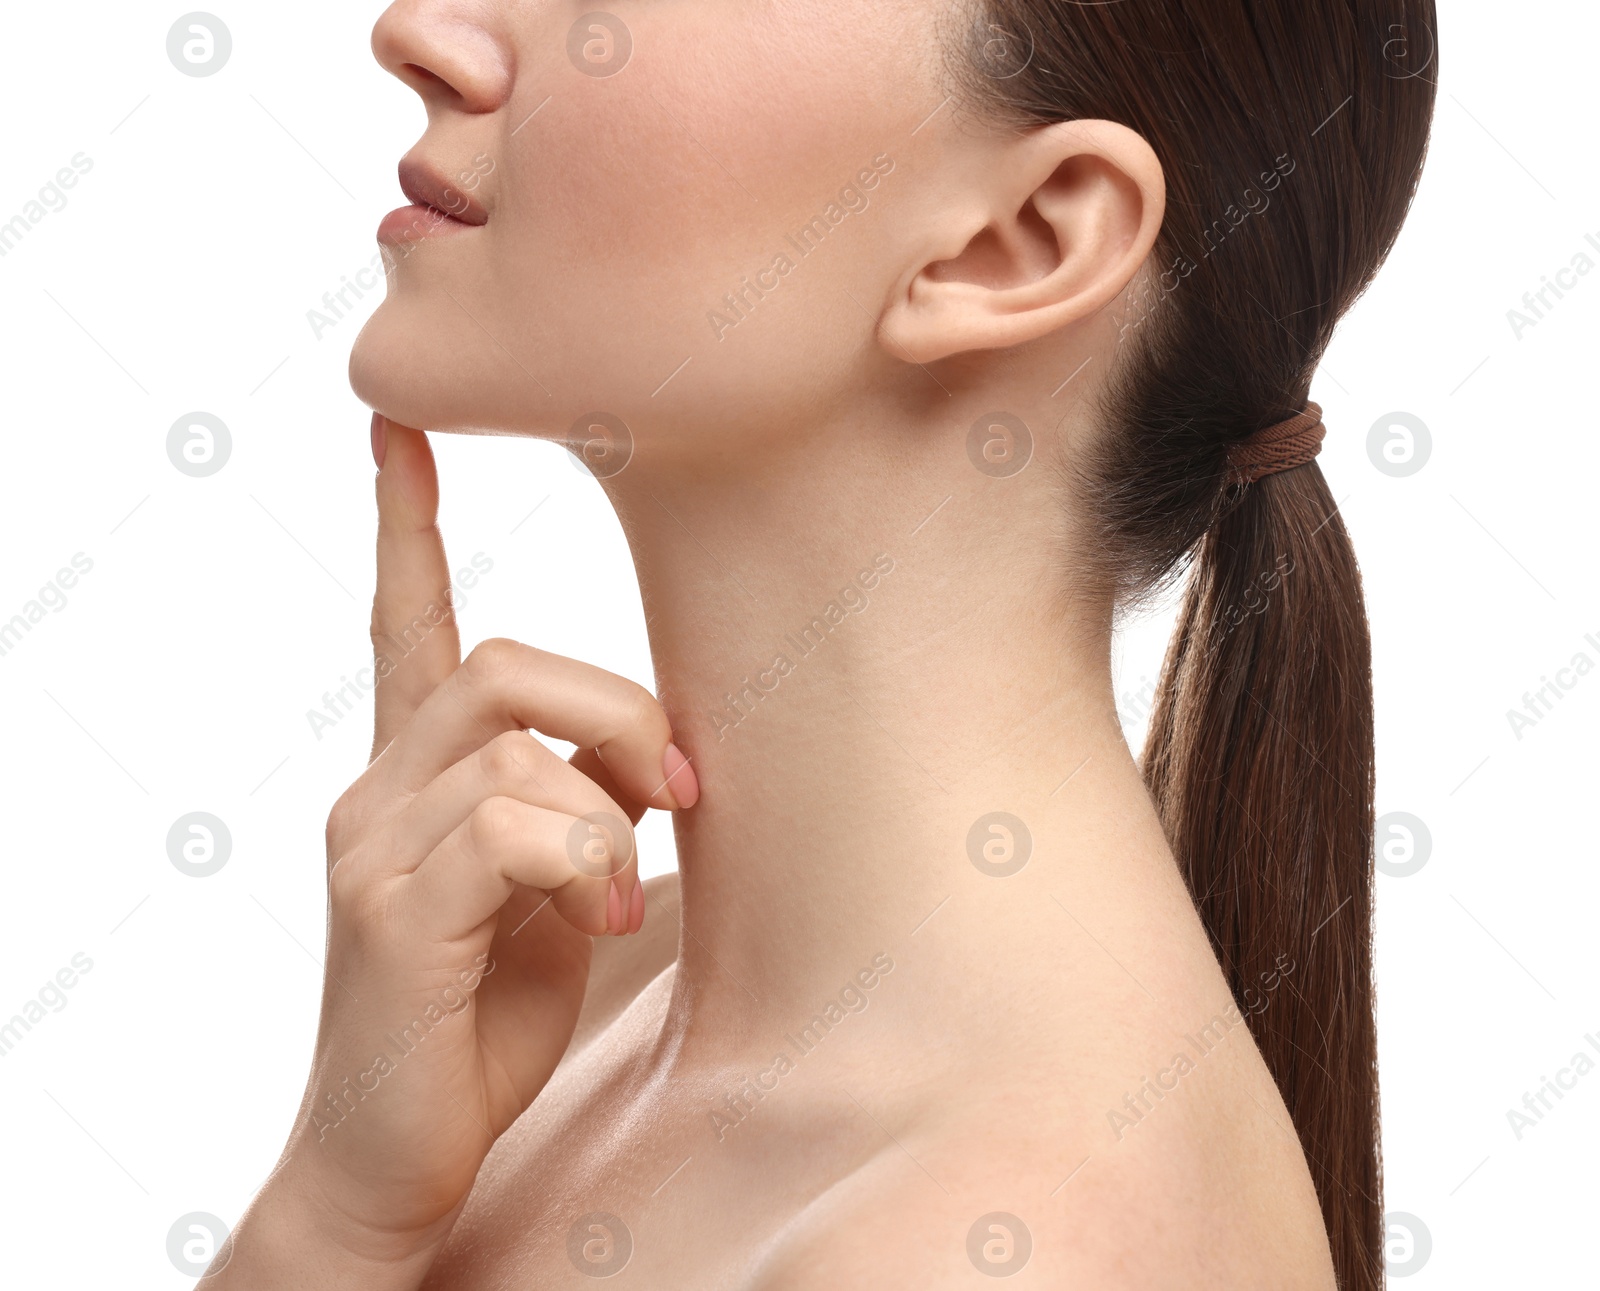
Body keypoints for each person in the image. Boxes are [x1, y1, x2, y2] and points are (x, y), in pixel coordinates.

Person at [209, 0, 1437, 1285]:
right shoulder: (565, 994)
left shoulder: (999, 1247)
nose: (418, 32)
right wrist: (330, 1218)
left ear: (1019, 242)